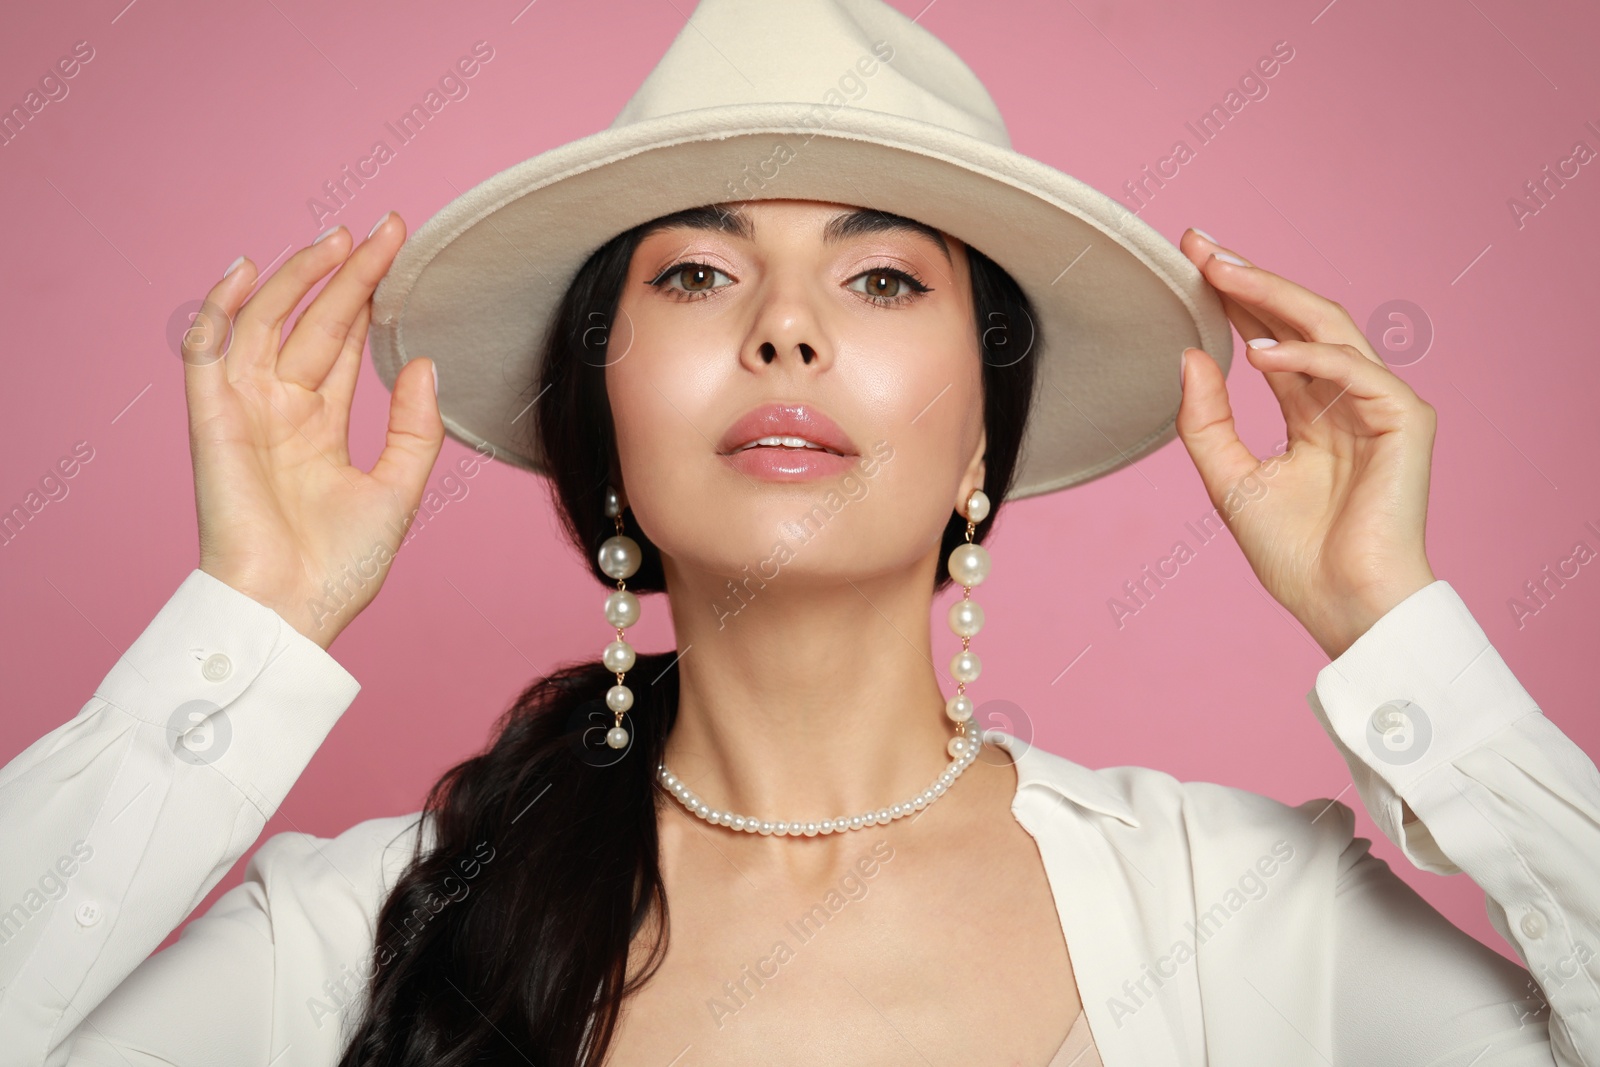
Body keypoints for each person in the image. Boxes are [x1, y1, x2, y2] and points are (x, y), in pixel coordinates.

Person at [3, 2, 1597, 1065]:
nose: (784, 330)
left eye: (883, 278)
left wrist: (1398, 634)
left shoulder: (1256, 915)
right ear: (602, 408)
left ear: (985, 420)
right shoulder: (360, 934)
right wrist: (250, 621)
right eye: (695, 274)